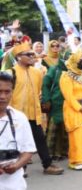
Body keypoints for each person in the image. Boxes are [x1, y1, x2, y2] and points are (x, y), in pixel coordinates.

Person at [7, 42, 63, 176]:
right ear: (19, 57)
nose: (33, 56)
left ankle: (47, 165)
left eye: (33, 54)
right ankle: (20, 168)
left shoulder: (37, 72)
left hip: (34, 113)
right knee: (17, 142)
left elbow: (38, 91)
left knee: (40, 139)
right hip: (16, 115)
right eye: (29, 54)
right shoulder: (11, 73)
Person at [0, 72, 36, 190]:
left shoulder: (19, 118)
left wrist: (16, 165)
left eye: (7, 91)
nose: (3, 96)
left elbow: (28, 150)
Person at [60, 52, 82, 170]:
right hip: (73, 109)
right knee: (77, 134)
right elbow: (68, 96)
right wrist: (80, 108)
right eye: (80, 59)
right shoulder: (66, 76)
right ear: (74, 60)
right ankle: (76, 160)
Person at [42, 46, 68, 161]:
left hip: (68, 105)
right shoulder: (55, 69)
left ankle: (62, 153)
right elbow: (45, 85)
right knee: (53, 130)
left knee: (64, 130)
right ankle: (48, 155)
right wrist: (46, 100)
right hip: (55, 104)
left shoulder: (73, 71)